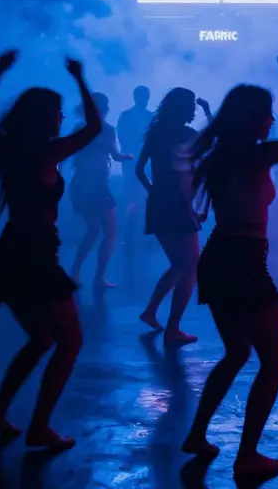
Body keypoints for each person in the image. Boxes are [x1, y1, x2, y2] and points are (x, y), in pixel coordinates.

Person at [181, 54, 278, 480]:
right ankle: (247, 456)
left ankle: (197, 434)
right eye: (267, 114)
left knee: (238, 351)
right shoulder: (254, 157)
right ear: (253, 119)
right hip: (242, 260)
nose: (271, 120)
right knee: (274, 360)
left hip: (220, 255)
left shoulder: (222, 156)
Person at [0, 50, 100, 450]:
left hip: (13, 250)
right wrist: (81, 78)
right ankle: (40, 427)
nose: (62, 119)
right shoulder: (46, 153)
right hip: (34, 254)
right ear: (46, 117)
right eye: (59, 113)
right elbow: (94, 127)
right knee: (70, 340)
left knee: (42, 339)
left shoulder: (9, 148)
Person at [136, 88, 212, 345]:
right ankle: (173, 329)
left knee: (179, 265)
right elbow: (213, 142)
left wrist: (153, 192)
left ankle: (150, 312)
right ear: (183, 108)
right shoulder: (186, 135)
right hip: (178, 207)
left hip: (158, 204)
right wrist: (208, 111)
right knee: (190, 267)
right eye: (191, 106)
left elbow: (139, 169)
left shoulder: (156, 133)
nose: (193, 110)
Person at [67, 92, 133, 287]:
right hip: (94, 183)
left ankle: (78, 272)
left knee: (94, 230)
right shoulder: (105, 129)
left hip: (84, 182)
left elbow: (69, 152)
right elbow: (115, 155)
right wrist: (128, 157)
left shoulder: (82, 127)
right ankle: (96, 277)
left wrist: (127, 157)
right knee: (110, 230)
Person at [117, 86, 154, 246]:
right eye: (143, 96)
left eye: (146, 96)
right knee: (135, 197)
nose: (144, 99)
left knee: (143, 197)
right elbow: (123, 139)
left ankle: (142, 232)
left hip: (143, 163)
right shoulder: (130, 116)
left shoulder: (149, 116)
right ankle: (131, 233)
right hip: (135, 162)